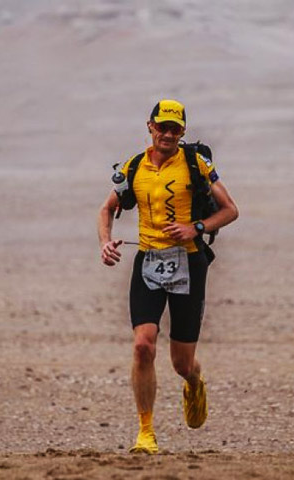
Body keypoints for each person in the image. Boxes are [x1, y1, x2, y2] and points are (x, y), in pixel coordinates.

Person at [97, 99, 239, 454]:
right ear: (150, 126)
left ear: (183, 132)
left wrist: (197, 227)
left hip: (188, 264)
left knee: (181, 363)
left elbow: (231, 210)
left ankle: (194, 380)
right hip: (147, 262)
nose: (168, 134)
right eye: (163, 127)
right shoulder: (134, 167)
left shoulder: (195, 165)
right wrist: (105, 243)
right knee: (143, 346)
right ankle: (146, 433)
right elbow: (107, 209)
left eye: (175, 129)